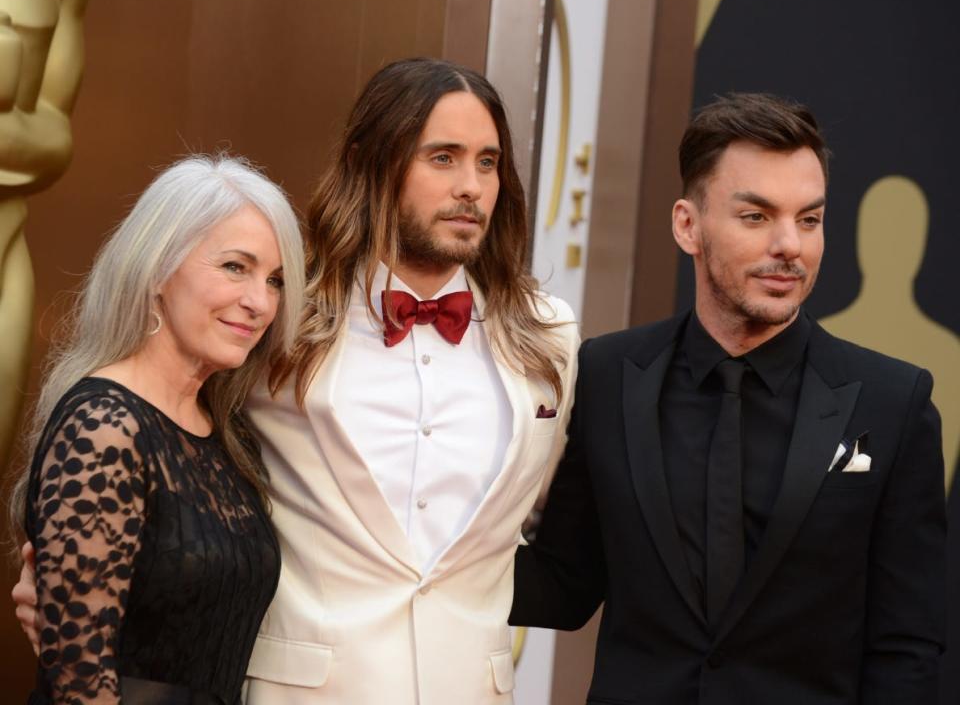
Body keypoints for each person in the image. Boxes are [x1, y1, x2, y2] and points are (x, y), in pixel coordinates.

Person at [14, 59, 579, 703]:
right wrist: (73, 587)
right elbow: (162, 439)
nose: (472, 186)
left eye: (488, 162)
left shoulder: (551, 338)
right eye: (443, 158)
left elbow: (550, 541)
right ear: (376, 163)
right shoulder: (284, 320)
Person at [510, 93, 946, 704]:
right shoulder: (609, 374)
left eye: (809, 219)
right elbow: (564, 585)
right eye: (756, 216)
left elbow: (907, 646)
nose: (790, 245)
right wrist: (401, 546)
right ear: (688, 225)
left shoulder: (891, 401)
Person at [8, 154, 306, 704]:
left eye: (275, 280)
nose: (260, 302)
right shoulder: (104, 426)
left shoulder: (227, 436)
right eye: (235, 267)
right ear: (158, 268)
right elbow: (79, 682)